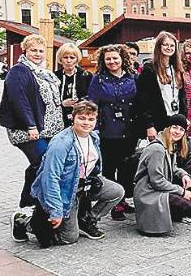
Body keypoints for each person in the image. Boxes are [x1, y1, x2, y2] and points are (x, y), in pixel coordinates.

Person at [11, 101, 125, 246]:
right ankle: (23, 221)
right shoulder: (61, 143)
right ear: (73, 118)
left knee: (116, 191)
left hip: (83, 185)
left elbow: (91, 165)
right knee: (69, 238)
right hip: (65, 190)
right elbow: (50, 178)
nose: (86, 123)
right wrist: (56, 211)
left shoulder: (94, 137)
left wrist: (95, 179)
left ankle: (87, 220)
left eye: (91, 119)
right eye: (82, 118)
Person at [0, 35, 63, 208]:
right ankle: (29, 201)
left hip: (49, 129)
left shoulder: (44, 72)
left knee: (43, 163)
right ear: (25, 50)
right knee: (42, 161)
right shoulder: (19, 71)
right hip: (28, 130)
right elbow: (19, 100)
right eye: (34, 50)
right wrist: (30, 125)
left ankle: (32, 199)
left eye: (41, 51)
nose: (38, 54)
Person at [87, 44, 138, 220]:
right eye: (108, 58)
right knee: (109, 168)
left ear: (123, 58)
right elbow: (92, 104)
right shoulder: (98, 79)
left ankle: (123, 200)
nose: (112, 61)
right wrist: (93, 129)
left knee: (126, 167)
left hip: (129, 130)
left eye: (115, 58)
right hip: (107, 130)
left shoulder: (133, 77)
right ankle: (113, 202)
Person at [134, 114, 191, 235]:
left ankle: (171, 213)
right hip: (148, 192)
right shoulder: (157, 149)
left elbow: (173, 168)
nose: (178, 132)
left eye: (181, 129)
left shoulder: (169, 145)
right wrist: (182, 192)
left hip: (157, 189)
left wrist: (184, 175)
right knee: (188, 206)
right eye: (174, 127)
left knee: (189, 196)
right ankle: (164, 215)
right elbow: (157, 181)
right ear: (167, 128)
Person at [132, 31, 186, 141]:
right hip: (158, 121)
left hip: (176, 120)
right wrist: (149, 125)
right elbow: (142, 100)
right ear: (159, 46)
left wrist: (183, 118)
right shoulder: (149, 69)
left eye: (172, 45)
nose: (169, 48)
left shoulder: (178, 69)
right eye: (165, 45)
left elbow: (182, 96)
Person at [54, 44, 93, 127]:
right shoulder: (54, 76)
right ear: (60, 59)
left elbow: (92, 97)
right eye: (65, 57)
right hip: (59, 119)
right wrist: (62, 104)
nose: (68, 61)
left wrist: (80, 103)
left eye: (72, 57)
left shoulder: (86, 76)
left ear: (77, 59)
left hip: (82, 117)